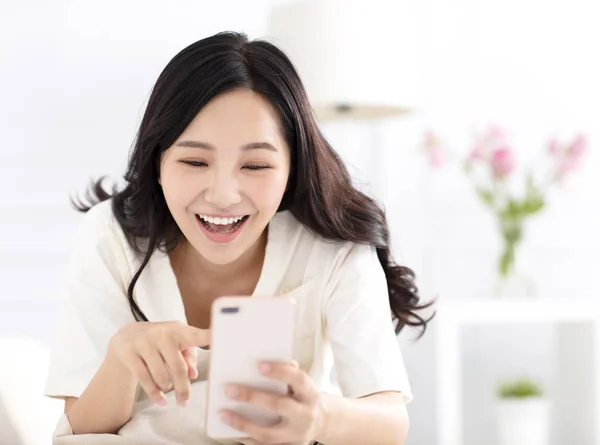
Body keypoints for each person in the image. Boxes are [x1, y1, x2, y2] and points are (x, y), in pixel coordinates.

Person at [44, 31, 433, 445]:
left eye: (255, 165)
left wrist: (319, 417)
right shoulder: (110, 234)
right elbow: (79, 430)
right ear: (157, 163)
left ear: (292, 169)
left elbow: (391, 421)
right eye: (195, 161)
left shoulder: (333, 246)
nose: (224, 196)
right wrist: (121, 361)